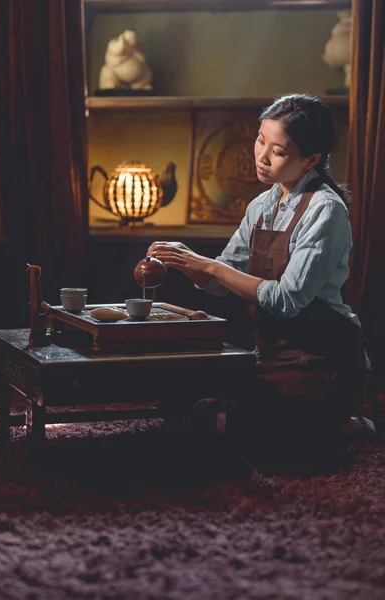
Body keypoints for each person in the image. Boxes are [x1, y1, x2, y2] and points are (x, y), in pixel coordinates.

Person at [148, 93, 371, 459]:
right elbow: (222, 282)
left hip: (323, 358)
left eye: (278, 151)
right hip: (271, 352)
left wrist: (208, 265)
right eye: (260, 140)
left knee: (256, 437)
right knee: (185, 398)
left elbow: (286, 301)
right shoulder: (263, 205)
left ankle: (343, 419)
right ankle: (319, 421)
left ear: (311, 160)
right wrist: (182, 261)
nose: (261, 156)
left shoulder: (326, 211)